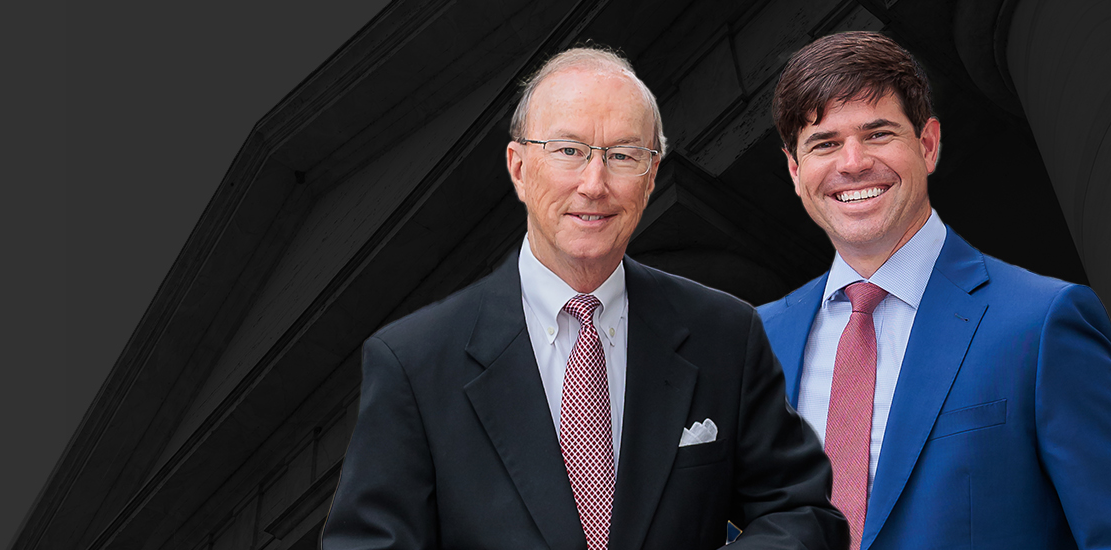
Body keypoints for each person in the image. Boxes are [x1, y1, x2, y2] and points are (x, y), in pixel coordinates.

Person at [322, 46, 846, 550]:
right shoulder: (413, 362)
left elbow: (800, 513)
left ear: (651, 177)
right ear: (519, 167)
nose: (594, 184)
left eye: (622, 156)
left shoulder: (725, 334)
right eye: (569, 151)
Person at [758, 31, 1111, 550]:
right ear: (795, 169)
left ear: (927, 145)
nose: (852, 162)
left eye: (877, 134)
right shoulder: (749, 343)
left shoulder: (1042, 322)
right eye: (825, 143)